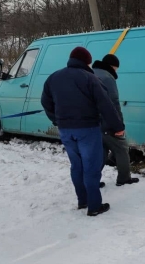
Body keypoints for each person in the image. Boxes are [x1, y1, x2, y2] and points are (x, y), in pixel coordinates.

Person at [41, 47, 125, 217]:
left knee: (76, 165)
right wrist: (118, 127)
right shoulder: (90, 78)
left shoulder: (53, 77)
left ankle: (83, 200)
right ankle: (94, 206)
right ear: (87, 61)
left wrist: (57, 120)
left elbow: (45, 102)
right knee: (91, 166)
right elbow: (105, 104)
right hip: (87, 129)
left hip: (65, 131)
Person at [92, 54, 139, 187]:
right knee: (122, 148)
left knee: (101, 152)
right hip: (106, 122)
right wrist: (119, 126)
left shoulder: (91, 73)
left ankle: (92, 180)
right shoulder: (107, 78)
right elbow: (113, 103)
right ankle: (124, 178)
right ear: (112, 66)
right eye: (116, 68)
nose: (116, 71)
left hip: (93, 123)